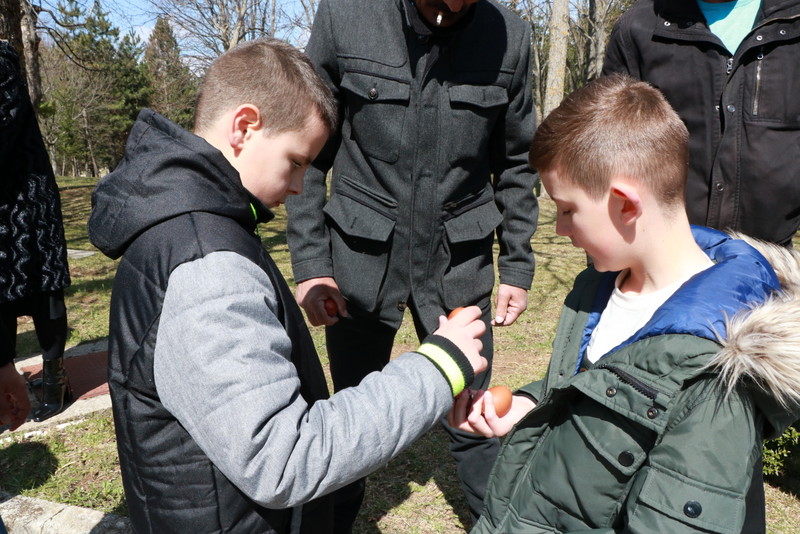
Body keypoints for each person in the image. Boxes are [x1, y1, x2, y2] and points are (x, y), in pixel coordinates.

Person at [87, 37, 488, 534]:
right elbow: (282, 458)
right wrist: (436, 368)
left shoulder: (194, 227)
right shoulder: (206, 264)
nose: (299, 187)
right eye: (296, 161)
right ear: (244, 126)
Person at [449, 74, 800, 533]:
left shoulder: (715, 370)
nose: (560, 229)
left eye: (568, 210)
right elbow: (590, 388)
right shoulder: (599, 289)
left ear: (625, 205)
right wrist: (529, 405)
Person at [284, 0, 538, 526]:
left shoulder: (509, 38)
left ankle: (496, 524)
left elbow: (517, 164)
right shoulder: (346, 18)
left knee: (472, 413)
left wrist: (516, 262)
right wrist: (311, 263)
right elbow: (306, 151)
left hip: (457, 264)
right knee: (350, 416)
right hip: (360, 263)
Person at [602, 0, 800, 247]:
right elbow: (606, 152)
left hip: (772, 256)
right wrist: (605, 257)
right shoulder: (640, 26)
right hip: (659, 252)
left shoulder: (793, 18)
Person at [1, 40, 72, 423]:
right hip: (5, 205)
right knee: (4, 297)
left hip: (29, 203)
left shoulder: (1, 64)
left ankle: (57, 379)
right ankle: (8, 382)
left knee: (44, 292)